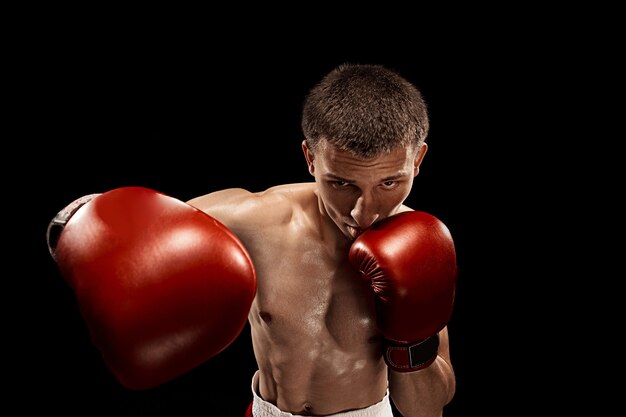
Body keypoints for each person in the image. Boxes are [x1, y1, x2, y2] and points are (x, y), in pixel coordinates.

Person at [47, 63, 458, 417]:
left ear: (418, 160)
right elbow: (104, 222)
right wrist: (76, 226)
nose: (363, 212)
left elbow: (427, 409)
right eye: (341, 183)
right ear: (311, 158)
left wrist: (412, 342)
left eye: (390, 182)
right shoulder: (256, 220)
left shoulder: (424, 245)